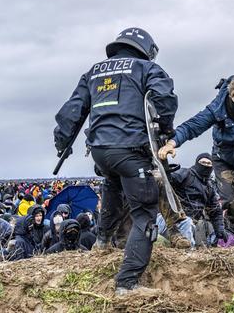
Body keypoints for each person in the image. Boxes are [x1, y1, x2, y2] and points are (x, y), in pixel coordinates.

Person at [54, 27, 178, 294]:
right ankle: (127, 283)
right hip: (132, 149)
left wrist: (62, 142)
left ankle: (102, 241)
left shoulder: (94, 72)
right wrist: (166, 132)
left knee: (112, 184)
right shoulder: (147, 69)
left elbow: (72, 110)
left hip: (100, 150)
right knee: (145, 213)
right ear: (147, 50)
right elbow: (164, 99)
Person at [158, 75, 234, 257]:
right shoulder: (217, 109)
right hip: (224, 155)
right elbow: (192, 126)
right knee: (230, 200)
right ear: (230, 96)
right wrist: (172, 143)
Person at [169, 153, 227, 246]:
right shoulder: (185, 173)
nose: (206, 165)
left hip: (192, 223)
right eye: (203, 162)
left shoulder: (209, 187)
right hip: (171, 219)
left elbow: (215, 210)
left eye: (209, 164)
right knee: (187, 244)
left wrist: (219, 228)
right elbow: (167, 182)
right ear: (197, 163)